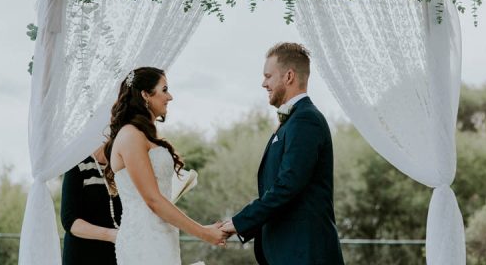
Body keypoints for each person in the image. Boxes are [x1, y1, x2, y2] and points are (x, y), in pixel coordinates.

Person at [221, 42, 344, 265]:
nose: (263, 83)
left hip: (305, 253)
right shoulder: (295, 120)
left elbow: (288, 184)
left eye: (268, 76)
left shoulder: (306, 120)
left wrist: (240, 222)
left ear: (288, 76)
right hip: (288, 253)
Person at [103, 66, 227, 265]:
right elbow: (153, 199)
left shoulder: (144, 135)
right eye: (164, 89)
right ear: (145, 95)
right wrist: (203, 233)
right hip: (143, 240)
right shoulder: (130, 135)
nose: (170, 97)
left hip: (162, 235)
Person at [61, 145, 122, 265]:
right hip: (82, 256)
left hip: (116, 256)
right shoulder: (77, 164)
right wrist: (112, 235)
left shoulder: (122, 166)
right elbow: (69, 221)